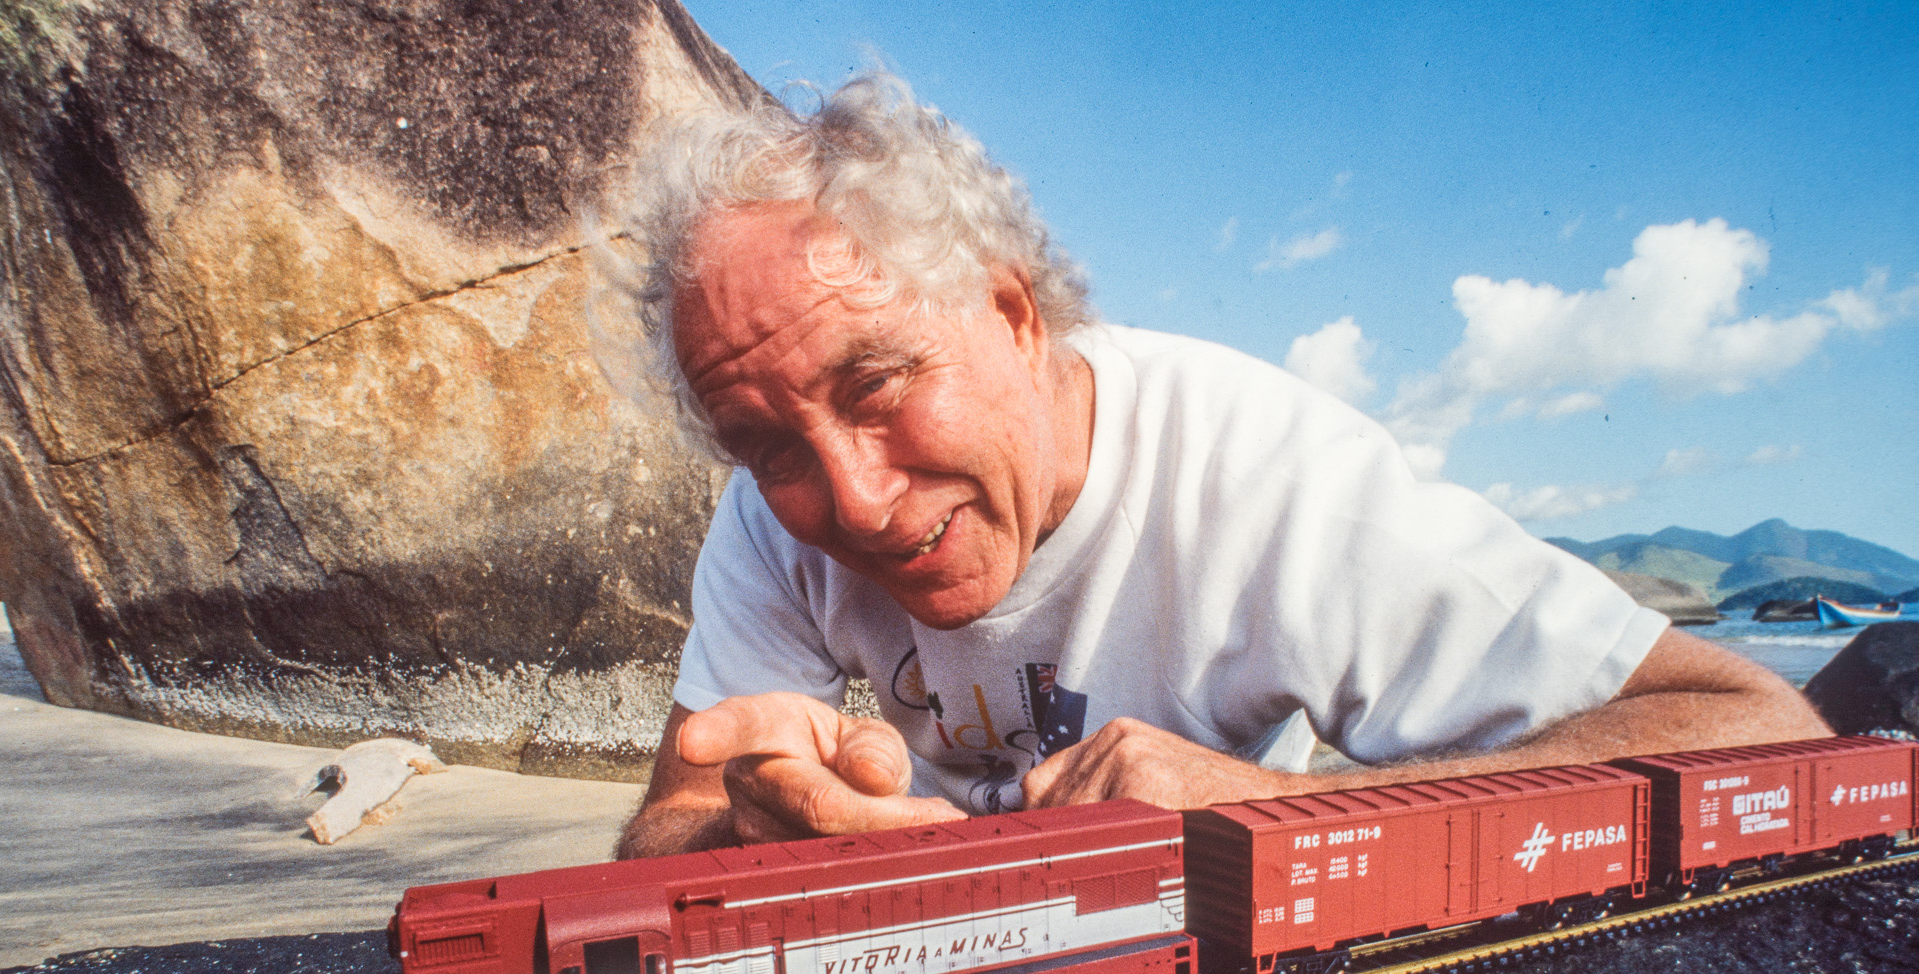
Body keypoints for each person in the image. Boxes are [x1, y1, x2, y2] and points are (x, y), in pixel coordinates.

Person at [613, 75, 1828, 859]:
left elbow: (1762, 725)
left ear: (1012, 313)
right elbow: (660, 826)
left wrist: (1274, 812)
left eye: (877, 386)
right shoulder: (771, 510)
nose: (854, 503)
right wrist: (741, 833)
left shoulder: (1268, 478)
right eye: (768, 447)